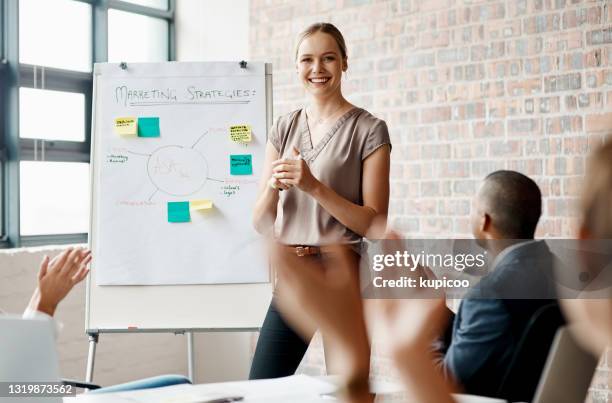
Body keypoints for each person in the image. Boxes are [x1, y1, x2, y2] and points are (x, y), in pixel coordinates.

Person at [250, 22, 391, 380]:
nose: (317, 69)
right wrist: (274, 187)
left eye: (328, 58)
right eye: (307, 60)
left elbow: (374, 225)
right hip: (294, 277)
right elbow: (261, 221)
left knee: (349, 392)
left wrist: (313, 186)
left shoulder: (369, 129)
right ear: (296, 66)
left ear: (344, 62)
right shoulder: (284, 127)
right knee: (260, 388)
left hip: (343, 275)